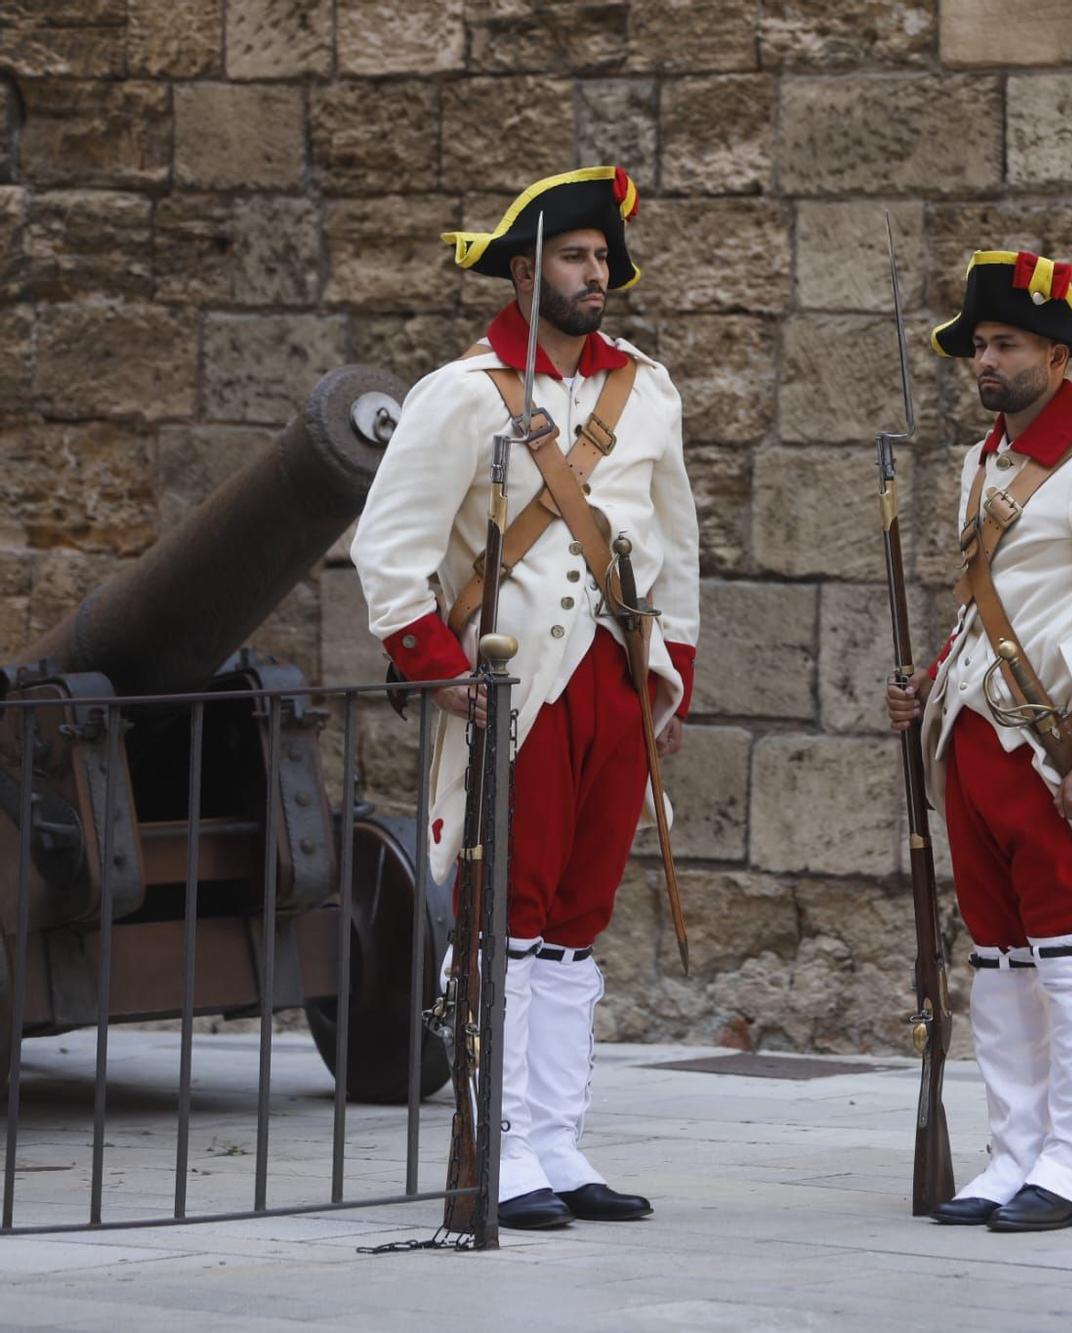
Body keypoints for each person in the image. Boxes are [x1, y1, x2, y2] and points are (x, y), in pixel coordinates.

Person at [351, 165, 698, 1230]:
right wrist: (434, 668)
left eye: (602, 259)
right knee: (510, 914)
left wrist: (671, 671)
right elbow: (391, 545)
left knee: (576, 922)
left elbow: (674, 543)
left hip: (612, 674)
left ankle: (554, 1138)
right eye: (573, 256)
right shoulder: (460, 393)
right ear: (522, 270)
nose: (595, 275)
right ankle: (493, 1146)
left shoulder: (647, 385)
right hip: (515, 684)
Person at [886, 249, 1072, 1231]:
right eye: (977, 344)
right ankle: (1009, 1155)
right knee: (999, 959)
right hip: (972, 740)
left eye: (1004, 343)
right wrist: (925, 685)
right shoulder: (980, 465)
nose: (984, 359)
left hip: (1058, 747)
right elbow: (987, 609)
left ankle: (1069, 1167)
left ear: (1056, 354)